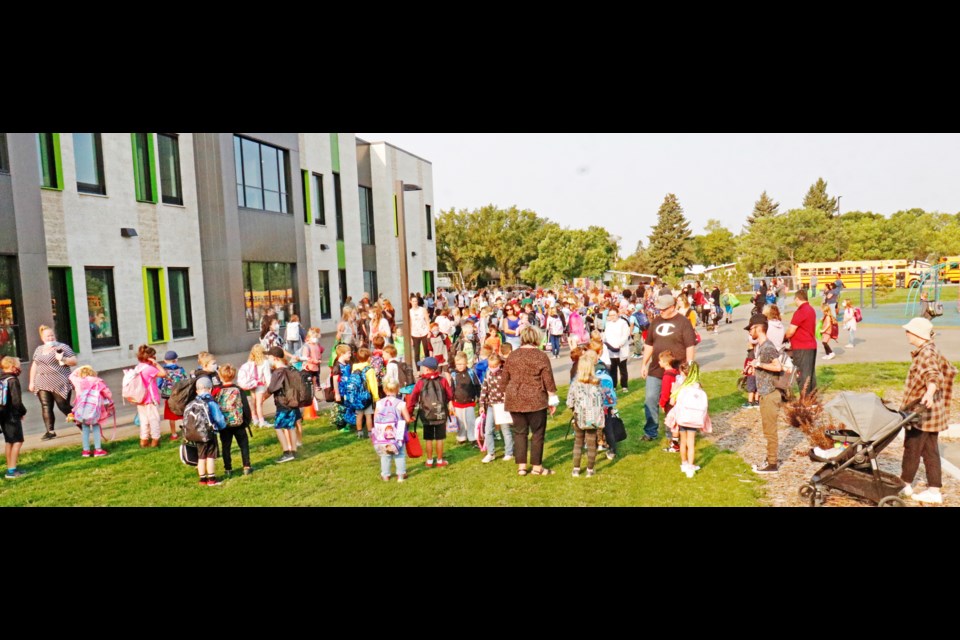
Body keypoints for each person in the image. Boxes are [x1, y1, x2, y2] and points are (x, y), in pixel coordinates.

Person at [898, 318, 957, 504]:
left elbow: (933, 375)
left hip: (923, 412)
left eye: (908, 331)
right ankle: (934, 490)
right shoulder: (927, 350)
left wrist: (929, 393)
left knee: (912, 447)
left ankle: (905, 485)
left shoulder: (927, 354)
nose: (906, 334)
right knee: (930, 450)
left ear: (917, 334)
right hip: (931, 413)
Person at [502, 326, 559, 476]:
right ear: (536, 338)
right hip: (536, 398)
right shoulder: (540, 356)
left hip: (515, 398)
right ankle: (536, 467)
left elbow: (504, 380)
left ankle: (521, 467)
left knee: (520, 432)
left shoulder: (513, 356)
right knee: (537, 433)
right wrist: (552, 399)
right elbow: (548, 380)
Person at [640, 295, 697, 442]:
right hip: (656, 369)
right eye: (659, 309)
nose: (660, 312)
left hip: (675, 371)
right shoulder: (656, 322)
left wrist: (689, 368)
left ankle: (673, 433)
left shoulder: (683, 322)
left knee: (672, 402)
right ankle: (650, 432)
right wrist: (644, 364)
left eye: (663, 309)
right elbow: (649, 344)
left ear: (672, 307)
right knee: (650, 399)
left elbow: (690, 346)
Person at [747, 314, 783, 474]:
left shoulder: (767, 347)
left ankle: (772, 463)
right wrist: (754, 367)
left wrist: (759, 364)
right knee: (767, 429)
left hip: (770, 393)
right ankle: (770, 458)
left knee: (770, 430)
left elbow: (778, 367)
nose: (749, 332)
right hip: (764, 393)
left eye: (750, 328)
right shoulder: (761, 346)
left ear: (758, 328)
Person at [29, 325, 78, 440]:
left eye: (52, 335)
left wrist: (63, 359)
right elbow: (35, 365)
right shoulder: (39, 349)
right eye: (47, 336)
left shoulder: (62, 347)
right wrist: (31, 382)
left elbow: (74, 361)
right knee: (46, 406)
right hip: (42, 381)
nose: (50, 338)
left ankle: (80, 421)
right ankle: (50, 431)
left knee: (63, 405)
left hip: (60, 381)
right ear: (42, 338)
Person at [405, 356, 454, 468]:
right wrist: (445, 403)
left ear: (427, 369)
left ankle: (429, 461)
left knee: (428, 439)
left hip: (426, 414)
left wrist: (409, 413)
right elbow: (450, 395)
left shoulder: (420, 383)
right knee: (440, 438)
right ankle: (440, 460)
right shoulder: (443, 380)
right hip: (440, 413)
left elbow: (412, 399)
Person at [665, 362, 712, 478]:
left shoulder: (680, 385)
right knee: (691, 443)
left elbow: (671, 402)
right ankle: (691, 467)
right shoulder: (697, 386)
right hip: (694, 418)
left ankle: (684, 463)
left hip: (682, 417)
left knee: (683, 441)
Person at [566, 350, 605, 478]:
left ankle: (576, 469)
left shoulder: (575, 384)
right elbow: (603, 399)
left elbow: (569, 401)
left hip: (579, 416)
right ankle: (589, 470)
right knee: (591, 443)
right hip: (593, 417)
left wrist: (573, 409)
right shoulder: (597, 383)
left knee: (578, 442)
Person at [186, 377, 226, 486]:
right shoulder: (211, 402)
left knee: (201, 456)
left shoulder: (193, 403)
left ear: (197, 391)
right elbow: (218, 418)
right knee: (210, 457)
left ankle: (202, 480)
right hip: (209, 433)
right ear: (210, 389)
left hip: (197, 434)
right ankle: (212, 479)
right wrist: (222, 426)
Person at [215, 364, 253, 477]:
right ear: (234, 376)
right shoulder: (238, 390)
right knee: (244, 445)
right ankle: (246, 466)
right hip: (239, 423)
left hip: (224, 424)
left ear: (220, 376)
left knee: (226, 446)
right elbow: (245, 406)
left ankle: (228, 469)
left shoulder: (217, 391)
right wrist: (246, 420)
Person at [68, 365, 113, 458]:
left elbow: (71, 376)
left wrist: (79, 368)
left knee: (85, 429)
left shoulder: (78, 381)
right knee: (96, 427)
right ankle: (98, 450)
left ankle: (86, 450)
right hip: (95, 409)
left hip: (82, 409)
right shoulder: (97, 381)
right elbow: (108, 393)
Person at [265, 346, 301, 463]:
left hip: (283, 404)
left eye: (269, 357)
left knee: (278, 427)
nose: (268, 359)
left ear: (275, 358)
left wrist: (260, 402)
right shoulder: (290, 368)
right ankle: (294, 451)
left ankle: (286, 452)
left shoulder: (278, 372)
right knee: (290, 427)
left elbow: (271, 389)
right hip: (293, 402)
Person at [478, 352, 514, 463]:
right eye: (490, 366)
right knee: (488, 430)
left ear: (499, 364)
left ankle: (509, 452)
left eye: (495, 366)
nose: (492, 368)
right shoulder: (488, 373)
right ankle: (491, 453)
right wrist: (482, 404)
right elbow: (484, 389)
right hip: (491, 406)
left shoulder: (505, 373)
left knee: (505, 430)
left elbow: (510, 387)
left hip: (502, 405)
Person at [373, 379, 411, 482]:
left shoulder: (379, 403)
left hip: (383, 433)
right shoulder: (401, 403)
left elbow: (375, 419)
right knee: (400, 454)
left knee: (385, 455)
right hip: (398, 433)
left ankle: (385, 475)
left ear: (385, 390)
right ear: (398, 389)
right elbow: (407, 419)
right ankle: (401, 475)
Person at [784, 289, 818, 395]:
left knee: (802, 374)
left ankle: (805, 399)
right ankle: (812, 397)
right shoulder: (811, 310)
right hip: (811, 345)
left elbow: (791, 331)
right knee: (810, 373)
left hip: (802, 346)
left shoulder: (800, 311)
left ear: (797, 298)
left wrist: (784, 338)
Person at [133, 345, 168, 448]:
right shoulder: (149, 369)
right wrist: (156, 364)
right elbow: (163, 374)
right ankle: (155, 440)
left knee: (144, 421)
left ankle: (143, 441)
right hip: (150, 399)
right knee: (154, 420)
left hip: (140, 399)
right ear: (150, 357)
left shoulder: (138, 368)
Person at [1, 356, 27, 478]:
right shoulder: (13, 380)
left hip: (2, 414)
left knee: (9, 441)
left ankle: (10, 466)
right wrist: (22, 412)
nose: (19, 368)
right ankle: (12, 470)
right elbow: (16, 401)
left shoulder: (2, 378)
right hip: (12, 414)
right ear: (12, 366)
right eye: (18, 365)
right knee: (17, 441)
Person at [449, 352, 480, 446]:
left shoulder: (471, 373)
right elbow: (451, 389)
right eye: (458, 364)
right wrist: (450, 401)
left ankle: (472, 437)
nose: (460, 366)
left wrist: (478, 397)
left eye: (462, 364)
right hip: (457, 402)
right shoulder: (454, 375)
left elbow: (477, 385)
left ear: (466, 363)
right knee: (460, 422)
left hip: (469, 401)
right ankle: (461, 437)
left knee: (471, 421)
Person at [159, 350, 187, 441]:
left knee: (171, 416)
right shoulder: (181, 369)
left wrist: (165, 390)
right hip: (180, 396)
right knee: (183, 414)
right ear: (176, 360)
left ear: (165, 360)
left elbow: (159, 383)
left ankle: (174, 434)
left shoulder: (163, 371)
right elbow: (185, 380)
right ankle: (186, 432)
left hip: (168, 396)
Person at [602, 307, 631, 395]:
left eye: (614, 315)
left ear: (618, 314)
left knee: (622, 369)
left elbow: (625, 335)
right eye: (610, 315)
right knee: (612, 370)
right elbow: (605, 335)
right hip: (611, 350)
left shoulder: (623, 323)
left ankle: (624, 385)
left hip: (621, 349)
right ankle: (613, 385)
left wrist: (620, 344)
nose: (612, 317)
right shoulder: (608, 324)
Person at [659, 351, 681, 453]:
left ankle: (673, 443)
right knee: (677, 422)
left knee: (671, 423)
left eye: (660, 360)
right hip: (678, 401)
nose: (658, 362)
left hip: (669, 403)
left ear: (665, 362)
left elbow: (665, 392)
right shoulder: (676, 373)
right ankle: (677, 441)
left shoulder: (667, 376)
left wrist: (662, 403)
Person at [246, 344, 272, 428]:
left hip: (251, 384)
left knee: (253, 402)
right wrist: (270, 386)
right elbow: (267, 375)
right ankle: (262, 421)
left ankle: (255, 419)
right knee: (259, 403)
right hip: (260, 384)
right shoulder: (265, 362)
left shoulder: (250, 362)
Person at [409, 294, 431, 362]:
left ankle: (428, 366)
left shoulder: (422, 309)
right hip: (415, 333)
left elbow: (427, 320)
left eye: (416, 301)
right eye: (413, 301)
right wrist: (410, 336)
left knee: (426, 350)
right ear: (410, 302)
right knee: (416, 353)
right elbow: (410, 323)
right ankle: (418, 371)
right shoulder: (409, 311)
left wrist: (429, 331)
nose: (415, 303)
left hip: (424, 332)